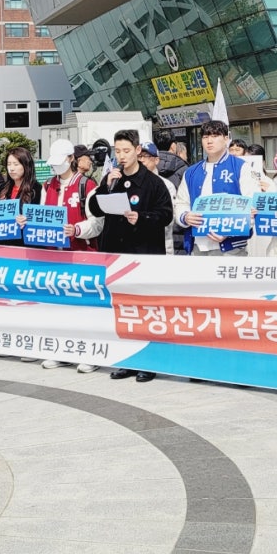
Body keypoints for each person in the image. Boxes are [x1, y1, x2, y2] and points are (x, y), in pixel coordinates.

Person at [88, 129, 173, 384]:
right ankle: (127, 360)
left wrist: (142, 217)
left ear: (137, 150)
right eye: (118, 151)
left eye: (126, 151)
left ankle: (149, 362)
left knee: (145, 309)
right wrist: (105, 186)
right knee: (122, 308)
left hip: (143, 255)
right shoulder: (112, 179)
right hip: (116, 254)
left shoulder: (154, 183)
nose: (122, 156)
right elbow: (94, 209)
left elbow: (166, 215)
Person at [40, 139, 103, 372]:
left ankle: (90, 353)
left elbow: (97, 223)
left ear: (71, 159)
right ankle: (61, 351)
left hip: (81, 253)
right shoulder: (48, 185)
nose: (56, 167)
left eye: (60, 161)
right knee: (59, 306)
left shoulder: (87, 185)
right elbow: (42, 215)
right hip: (55, 255)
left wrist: (77, 229)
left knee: (84, 306)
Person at [175, 120, 253, 256]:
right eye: (205, 137)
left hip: (231, 247)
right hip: (197, 245)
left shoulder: (241, 167)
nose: (209, 141)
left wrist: (229, 231)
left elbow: (252, 205)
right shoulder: (191, 172)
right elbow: (181, 202)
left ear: (226, 139)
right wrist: (185, 216)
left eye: (215, 136)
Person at [140, 141, 176, 255]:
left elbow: (170, 218)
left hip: (160, 246)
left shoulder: (166, 185)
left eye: (146, 156)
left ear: (156, 160)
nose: (142, 160)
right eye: (139, 156)